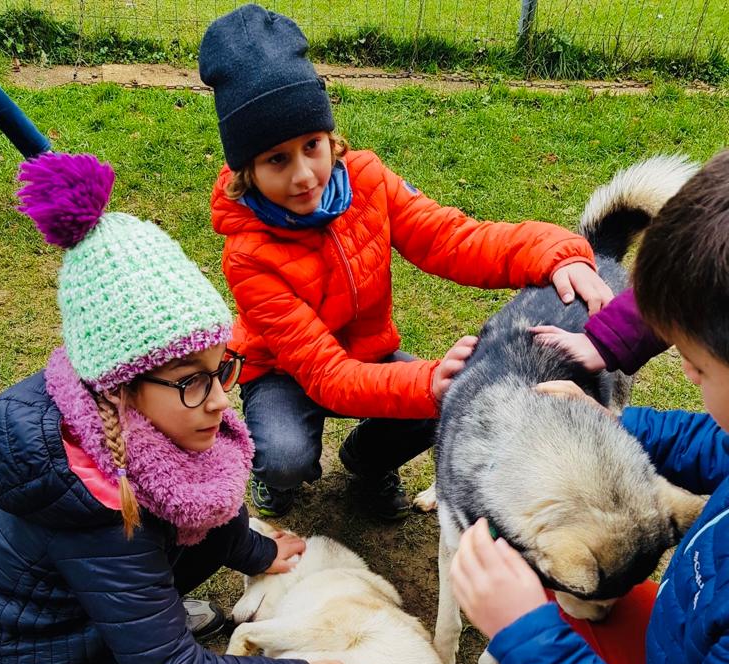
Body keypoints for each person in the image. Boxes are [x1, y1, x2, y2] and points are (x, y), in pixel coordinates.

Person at [0, 151, 372, 664]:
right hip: (41, 649)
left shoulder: (147, 429)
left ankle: (139, 620)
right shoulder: (97, 497)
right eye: (192, 380)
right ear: (121, 389)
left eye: (222, 370)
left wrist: (253, 548)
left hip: (87, 601)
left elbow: (205, 510)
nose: (219, 399)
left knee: (195, 637)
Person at [449, 149, 729, 664]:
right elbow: (719, 449)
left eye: (702, 370)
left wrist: (529, 637)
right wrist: (622, 421)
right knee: (594, 619)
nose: (684, 374)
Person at [198, 3, 614, 520]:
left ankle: (366, 463)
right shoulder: (247, 256)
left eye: (313, 145)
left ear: (331, 137)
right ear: (248, 170)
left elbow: (453, 238)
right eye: (277, 159)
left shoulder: (368, 181)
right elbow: (325, 373)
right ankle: (274, 474)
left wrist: (556, 254)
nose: (305, 175)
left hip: (367, 354)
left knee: (445, 393)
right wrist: (423, 380)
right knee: (286, 457)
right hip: (287, 372)